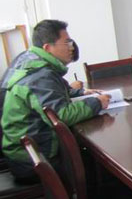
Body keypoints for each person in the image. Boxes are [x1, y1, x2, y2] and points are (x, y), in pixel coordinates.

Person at [1, 20, 110, 182]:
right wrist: (97, 103)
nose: (71, 47)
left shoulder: (28, 61)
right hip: (32, 160)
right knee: (98, 164)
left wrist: (78, 92)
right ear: (47, 47)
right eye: (67, 43)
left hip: (22, 152)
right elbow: (61, 116)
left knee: (90, 155)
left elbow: (47, 95)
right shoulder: (39, 75)